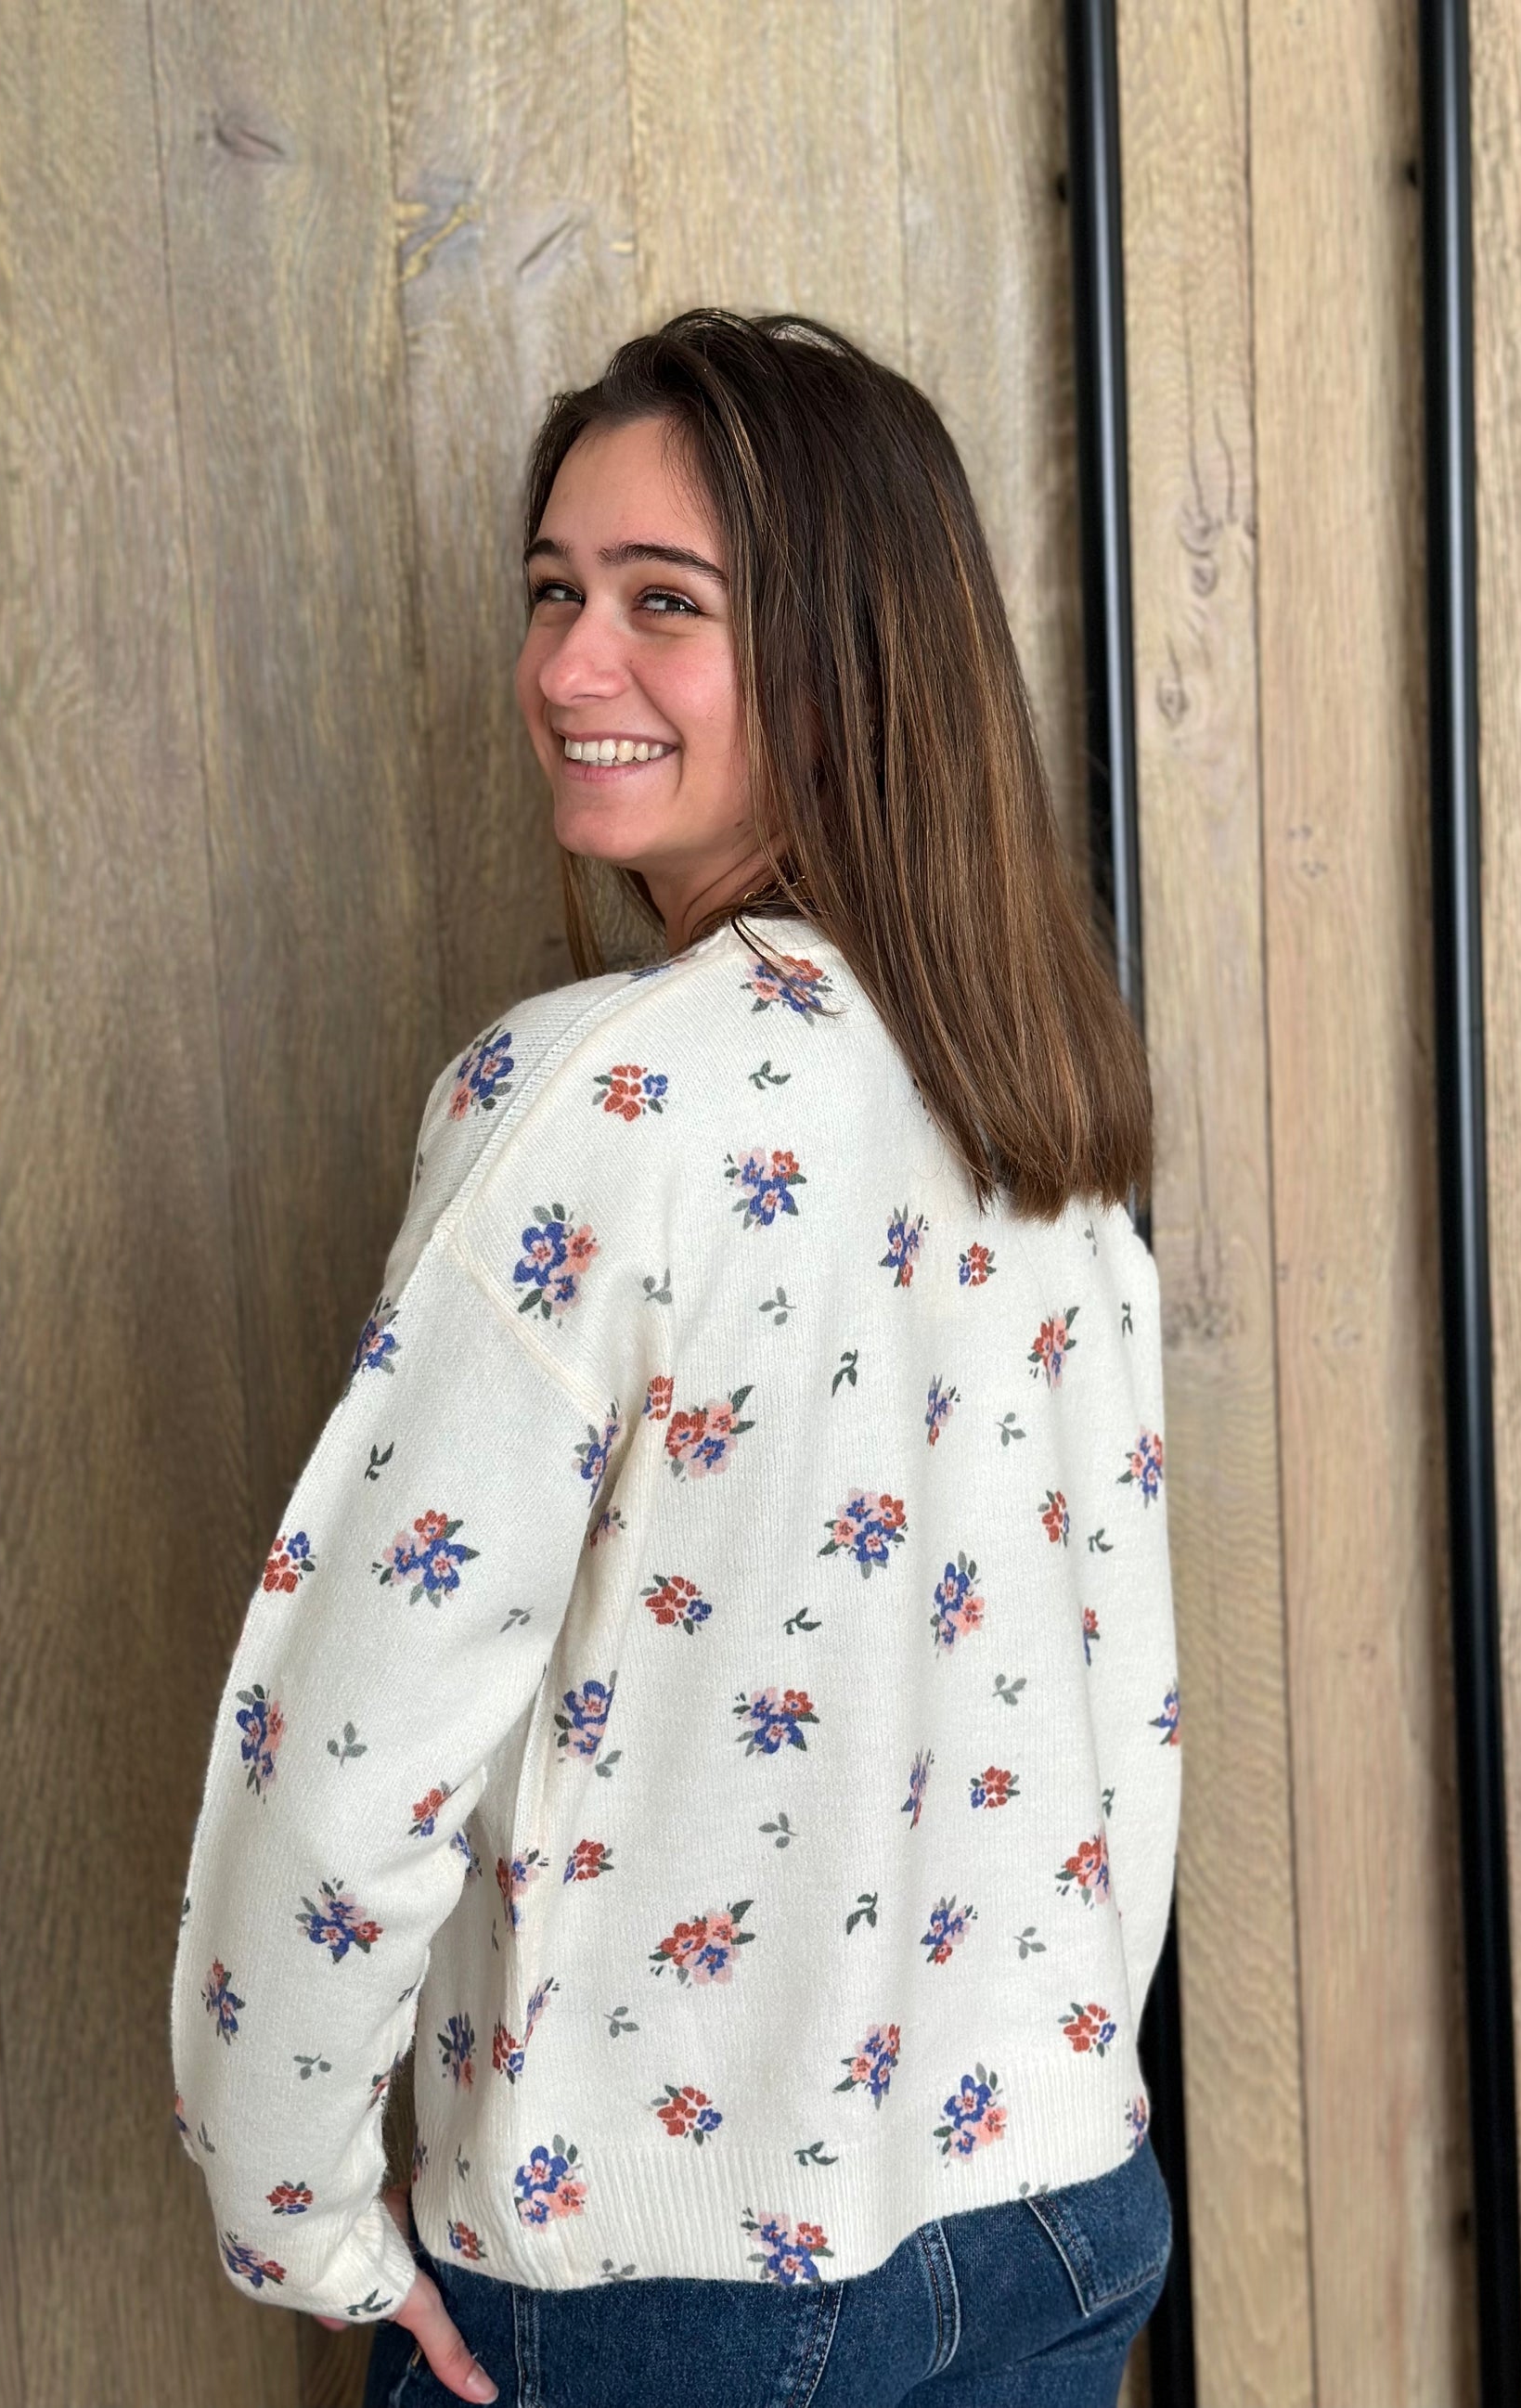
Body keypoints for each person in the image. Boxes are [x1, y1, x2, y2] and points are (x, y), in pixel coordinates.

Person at [171, 309, 1180, 2408]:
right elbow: (1116, 1706)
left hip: (668, 2286)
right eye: (552, 591)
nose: (566, 666)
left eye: (661, 603)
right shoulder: (1040, 1110)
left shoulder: (595, 1108)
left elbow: (356, 1738)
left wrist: (296, 2206)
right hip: (1055, 2210)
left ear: (845, 656)